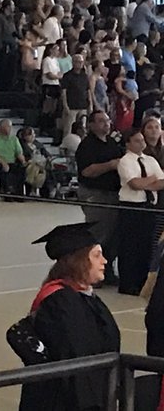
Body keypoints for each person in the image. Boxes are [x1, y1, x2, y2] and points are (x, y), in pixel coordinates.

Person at [18, 223, 120, 411]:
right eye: (97, 255)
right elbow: (75, 355)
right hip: (65, 401)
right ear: (78, 261)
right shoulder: (60, 301)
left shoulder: (83, 296)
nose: (104, 261)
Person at [76, 110, 123, 287]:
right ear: (92, 125)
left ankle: (106, 269)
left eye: (108, 120)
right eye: (101, 121)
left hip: (113, 194)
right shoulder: (87, 145)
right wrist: (110, 165)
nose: (106, 124)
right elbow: (87, 171)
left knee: (113, 235)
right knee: (98, 234)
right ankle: (88, 272)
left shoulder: (111, 143)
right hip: (95, 194)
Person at [118, 127, 164, 295]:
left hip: (149, 206)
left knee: (146, 245)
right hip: (131, 206)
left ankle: (142, 281)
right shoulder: (125, 161)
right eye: (137, 140)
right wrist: (151, 179)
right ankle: (128, 283)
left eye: (142, 140)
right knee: (130, 246)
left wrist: (147, 182)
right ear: (128, 143)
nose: (141, 143)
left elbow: (162, 182)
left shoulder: (150, 160)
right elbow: (134, 184)